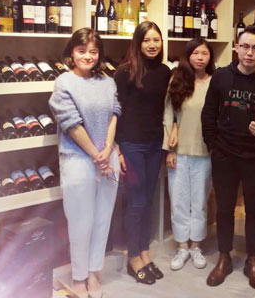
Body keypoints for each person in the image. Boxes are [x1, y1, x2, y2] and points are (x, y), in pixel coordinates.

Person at [201, 25, 255, 290]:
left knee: (254, 210)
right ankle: (224, 257)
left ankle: (252, 259)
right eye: (245, 46)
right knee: (224, 208)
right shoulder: (221, 77)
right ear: (236, 47)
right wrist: (213, 145)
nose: (250, 53)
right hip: (224, 155)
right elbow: (209, 113)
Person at [49, 28, 121, 298]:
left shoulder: (108, 82)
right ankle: (78, 276)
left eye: (93, 51)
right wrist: (96, 154)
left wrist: (107, 149)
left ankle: (93, 273)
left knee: (103, 219)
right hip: (78, 160)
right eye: (82, 51)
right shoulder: (64, 83)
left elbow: (115, 114)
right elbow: (71, 125)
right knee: (80, 222)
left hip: (107, 158)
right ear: (72, 52)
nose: (88, 56)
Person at [114, 21, 171, 285]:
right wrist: (118, 148)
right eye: (147, 40)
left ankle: (145, 253)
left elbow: (169, 108)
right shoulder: (125, 72)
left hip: (154, 144)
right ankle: (133, 257)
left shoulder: (165, 72)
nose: (152, 44)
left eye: (156, 40)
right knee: (136, 201)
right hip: (132, 145)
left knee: (148, 200)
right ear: (138, 43)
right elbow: (116, 111)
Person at [163, 38, 216, 271]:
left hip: (205, 151)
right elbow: (168, 115)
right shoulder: (177, 80)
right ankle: (182, 246)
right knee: (179, 201)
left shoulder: (215, 83)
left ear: (210, 57)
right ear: (188, 56)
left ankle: (196, 246)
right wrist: (169, 149)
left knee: (200, 202)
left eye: (204, 53)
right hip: (179, 151)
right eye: (195, 53)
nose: (200, 57)